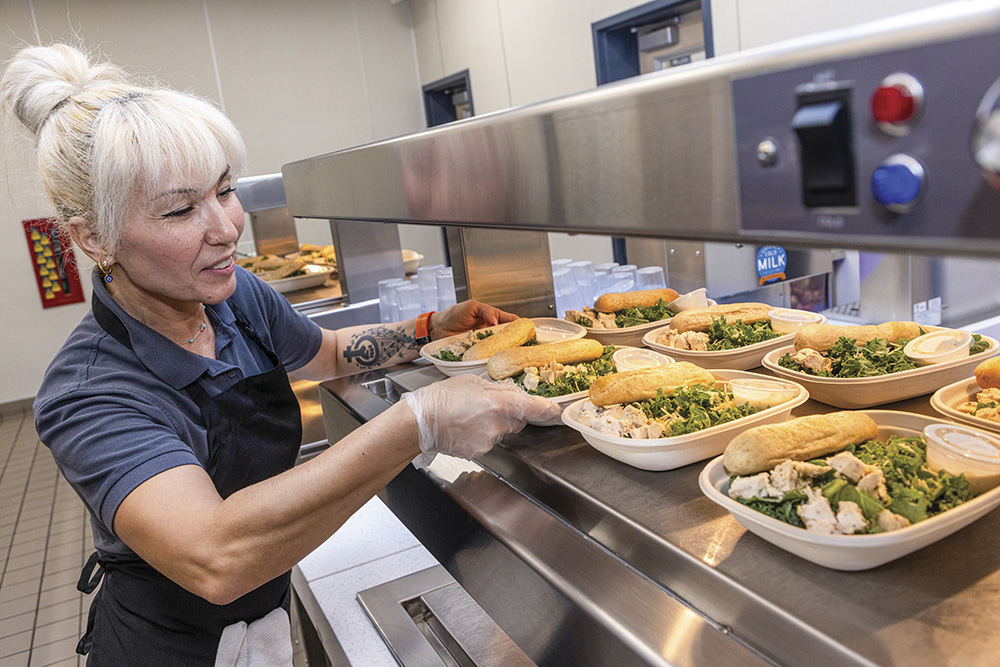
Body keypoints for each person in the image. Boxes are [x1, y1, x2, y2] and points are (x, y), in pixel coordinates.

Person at [1, 44, 562, 666]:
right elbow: (216, 557)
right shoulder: (91, 392)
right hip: (169, 648)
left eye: (225, 191)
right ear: (93, 237)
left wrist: (432, 328)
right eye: (181, 210)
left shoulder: (234, 297)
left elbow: (324, 353)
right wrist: (418, 421)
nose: (225, 228)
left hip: (262, 615)